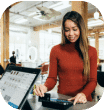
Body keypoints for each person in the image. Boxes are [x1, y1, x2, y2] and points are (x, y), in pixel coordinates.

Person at [34, 11, 97, 105]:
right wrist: (45, 87)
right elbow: (52, 78)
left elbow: (93, 81)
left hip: (83, 101)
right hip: (62, 100)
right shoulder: (55, 50)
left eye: (74, 29)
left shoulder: (91, 51)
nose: (71, 34)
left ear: (81, 29)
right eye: (67, 30)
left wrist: (83, 94)